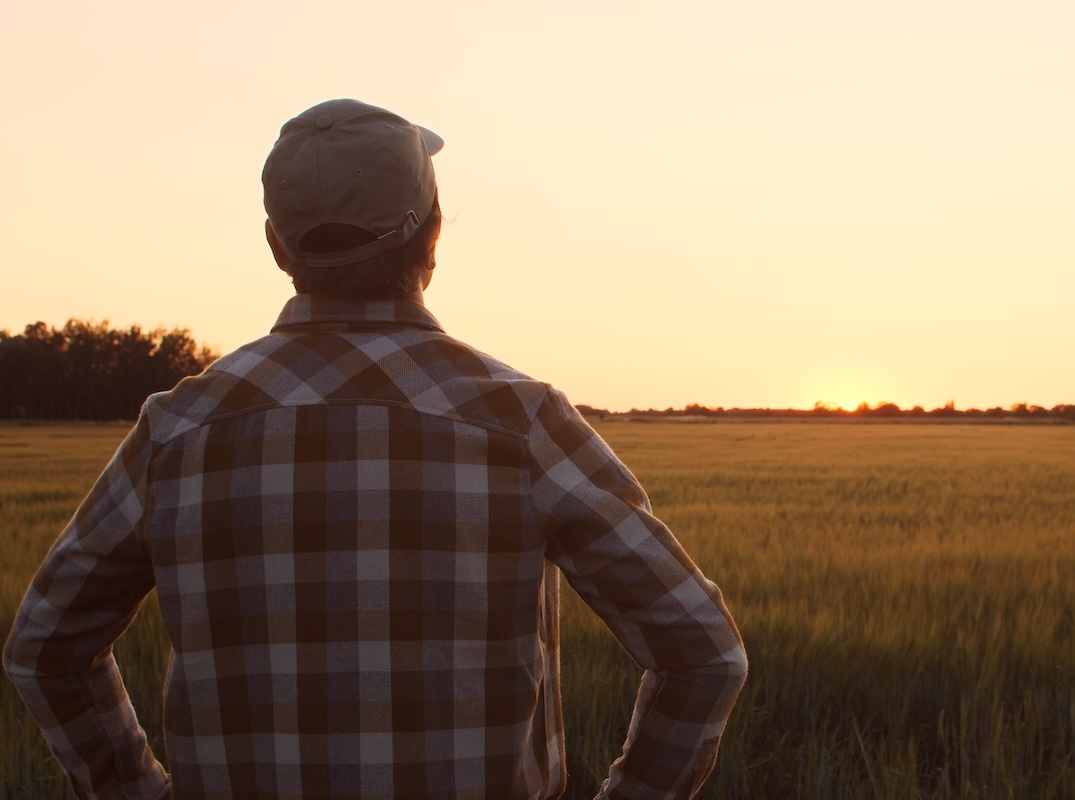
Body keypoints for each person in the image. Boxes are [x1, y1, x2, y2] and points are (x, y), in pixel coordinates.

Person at [4, 98, 748, 800]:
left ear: (275, 244)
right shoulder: (520, 422)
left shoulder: (177, 430)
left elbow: (45, 647)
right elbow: (702, 655)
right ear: (434, 232)